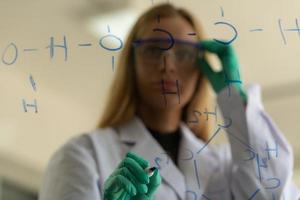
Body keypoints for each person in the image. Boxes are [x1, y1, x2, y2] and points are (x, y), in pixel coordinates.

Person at [39, 3, 300, 200]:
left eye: (184, 53)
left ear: (201, 68)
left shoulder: (221, 167)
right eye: (153, 50)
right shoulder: (83, 154)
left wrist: (236, 102)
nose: (167, 65)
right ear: (132, 63)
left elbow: (275, 192)